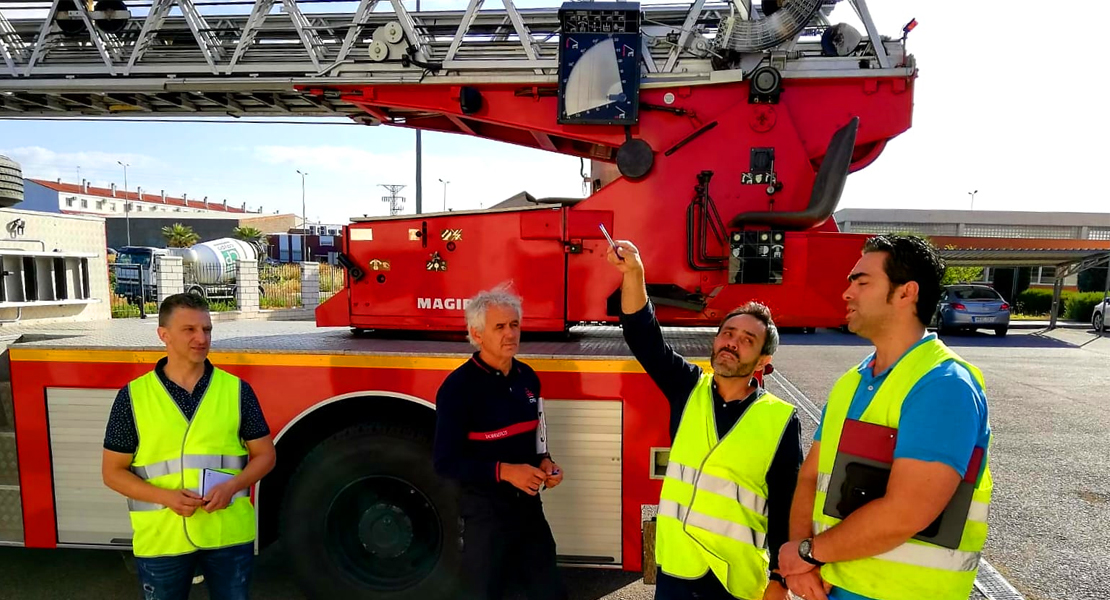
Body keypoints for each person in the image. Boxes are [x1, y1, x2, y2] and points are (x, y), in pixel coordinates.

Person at [778, 234, 992, 600]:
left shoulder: (944, 385)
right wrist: (802, 557)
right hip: (831, 587)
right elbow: (811, 477)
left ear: (907, 292)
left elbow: (906, 512)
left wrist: (806, 554)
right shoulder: (851, 381)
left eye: (862, 282)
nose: (847, 294)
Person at [606, 240, 802, 600]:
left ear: (762, 360)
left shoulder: (780, 419)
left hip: (735, 579)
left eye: (747, 340)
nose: (732, 343)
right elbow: (642, 336)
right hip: (678, 569)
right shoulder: (688, 387)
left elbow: (786, 506)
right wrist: (634, 274)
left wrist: (780, 578)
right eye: (727, 333)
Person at [101, 293, 277, 600]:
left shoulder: (237, 391)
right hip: (162, 539)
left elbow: (265, 455)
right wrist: (165, 497)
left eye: (206, 330)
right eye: (190, 330)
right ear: (163, 335)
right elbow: (112, 472)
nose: (201, 338)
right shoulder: (132, 397)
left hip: (228, 534)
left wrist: (233, 485)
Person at [433, 287, 568, 600]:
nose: (510, 333)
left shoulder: (528, 378)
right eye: (500, 327)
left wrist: (547, 463)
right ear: (477, 335)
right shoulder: (457, 389)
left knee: (549, 591)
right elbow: (445, 462)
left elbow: (539, 441)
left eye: (515, 325)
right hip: (485, 518)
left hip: (530, 513)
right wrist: (505, 472)